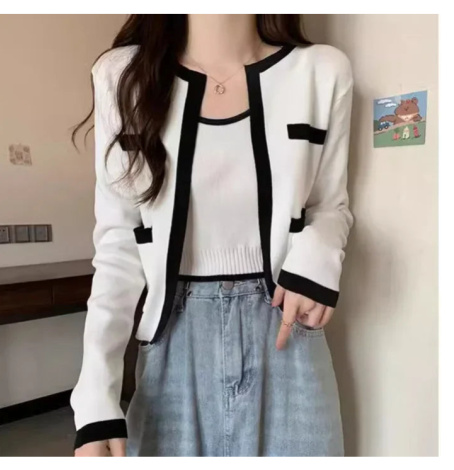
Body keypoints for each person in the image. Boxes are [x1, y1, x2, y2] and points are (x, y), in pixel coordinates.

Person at [70, 14, 354, 457]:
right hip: (172, 342)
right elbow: (118, 245)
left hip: (286, 335)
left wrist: (316, 257)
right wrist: (94, 395)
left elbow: (330, 205)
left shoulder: (322, 71)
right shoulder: (122, 75)